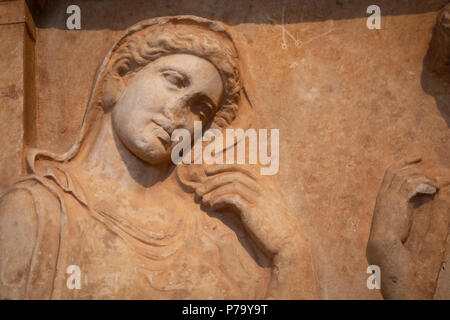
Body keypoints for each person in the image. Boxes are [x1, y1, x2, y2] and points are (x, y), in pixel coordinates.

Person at [0, 16, 318, 299]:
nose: (179, 113)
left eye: (201, 109)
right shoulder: (37, 211)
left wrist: (291, 254)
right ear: (120, 77)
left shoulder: (212, 233)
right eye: (174, 81)